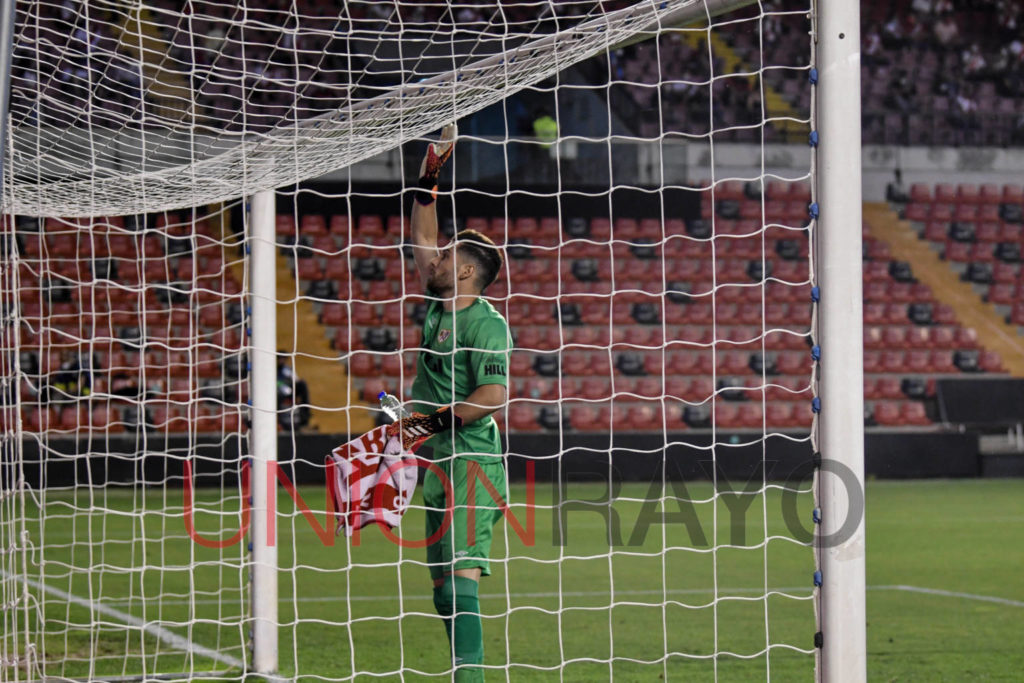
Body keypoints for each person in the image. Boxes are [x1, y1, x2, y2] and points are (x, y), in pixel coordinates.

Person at [388, 124, 511, 682]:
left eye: (445, 256)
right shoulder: (438, 305)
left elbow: (492, 395)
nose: (432, 259)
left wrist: (428, 421)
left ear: (465, 270)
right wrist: (431, 170)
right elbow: (421, 232)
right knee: (441, 589)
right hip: (434, 461)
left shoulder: (487, 325)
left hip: (472, 465)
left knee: (461, 576)